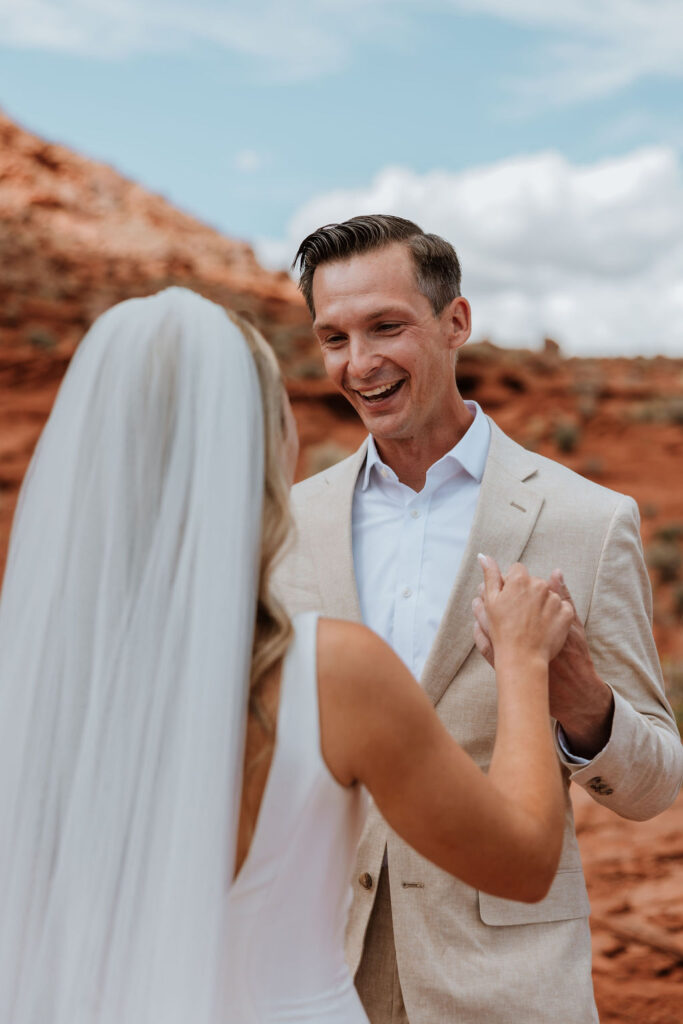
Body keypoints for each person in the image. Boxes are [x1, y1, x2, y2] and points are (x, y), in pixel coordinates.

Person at [0, 286, 577, 1024]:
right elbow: (522, 863)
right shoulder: (334, 674)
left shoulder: (28, 684)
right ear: (261, 448)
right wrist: (524, 666)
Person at [278, 215, 683, 1024]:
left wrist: (581, 701)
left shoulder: (587, 518)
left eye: (386, 327)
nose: (358, 365)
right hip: (314, 976)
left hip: (504, 987)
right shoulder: (288, 524)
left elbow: (654, 788)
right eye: (334, 338)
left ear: (455, 322)